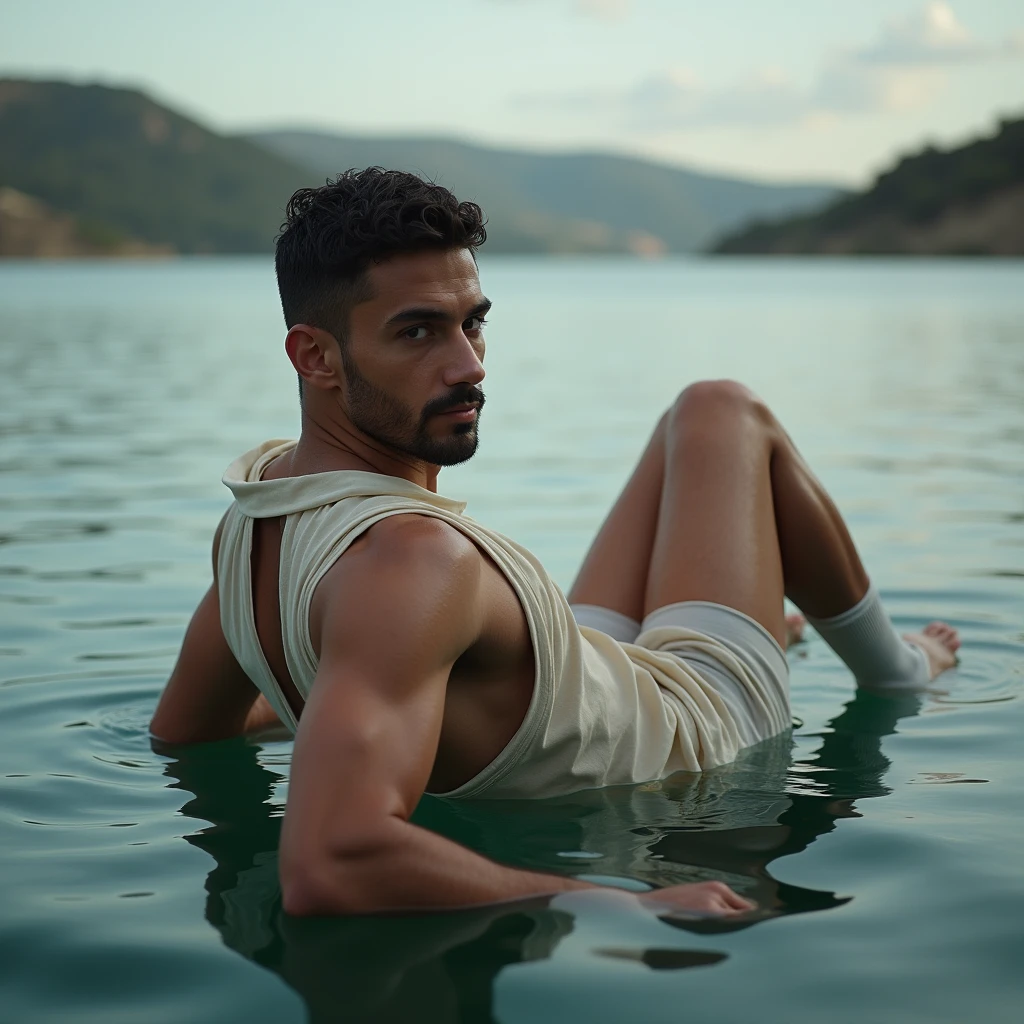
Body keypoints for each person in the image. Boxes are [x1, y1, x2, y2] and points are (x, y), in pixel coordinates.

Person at [150, 168, 960, 921]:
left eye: (473, 323)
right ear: (315, 356)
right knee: (720, 409)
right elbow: (331, 864)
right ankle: (900, 667)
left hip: (575, 674)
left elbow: (189, 732)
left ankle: (759, 629)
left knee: (691, 418)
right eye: (418, 333)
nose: (468, 366)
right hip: (700, 721)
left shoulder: (254, 518)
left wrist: (328, 714)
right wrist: (618, 904)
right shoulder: (411, 563)